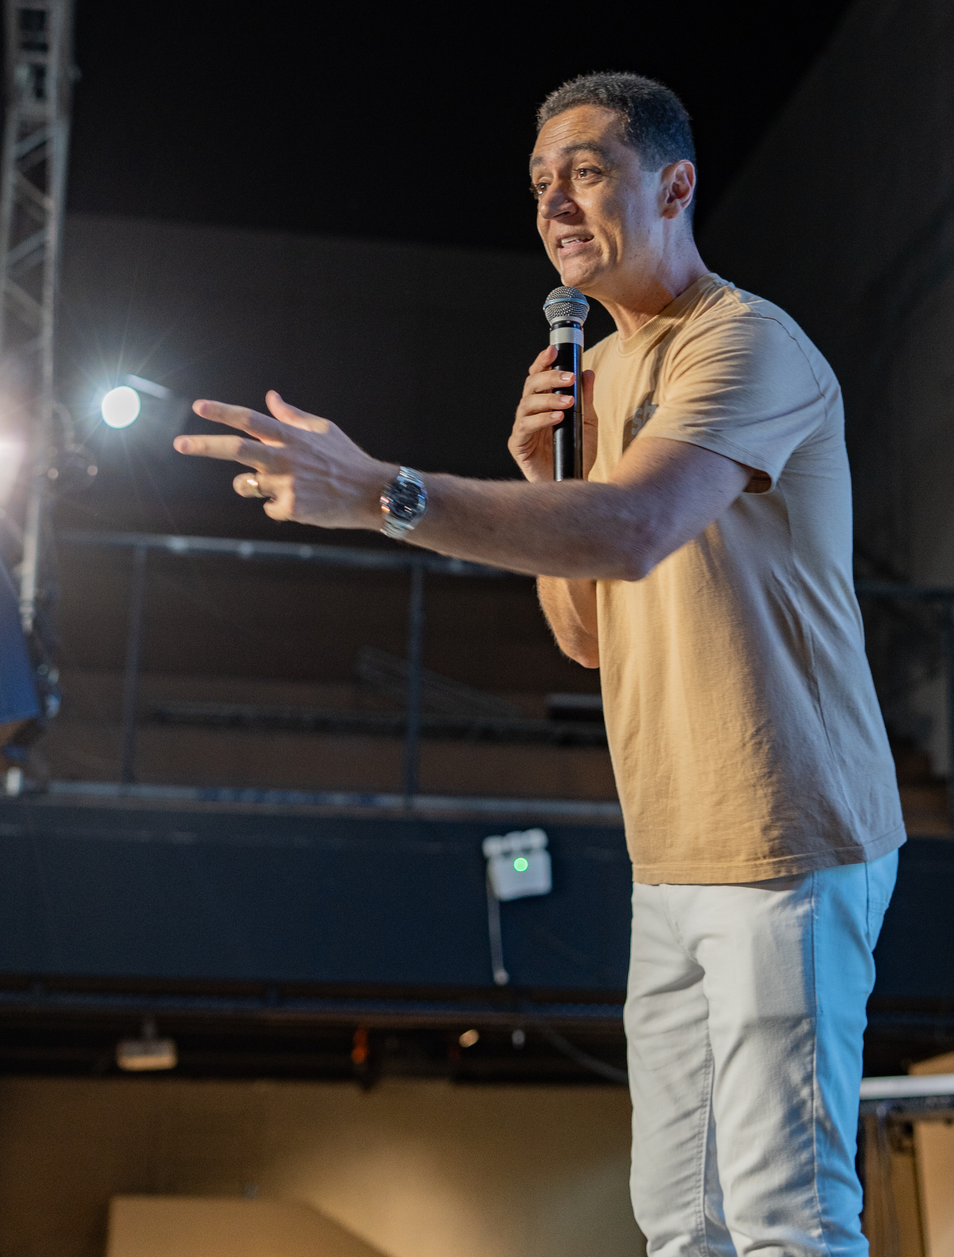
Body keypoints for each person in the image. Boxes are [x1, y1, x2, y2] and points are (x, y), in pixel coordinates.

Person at [176, 70, 905, 1255]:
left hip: (789, 831)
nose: (556, 204)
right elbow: (587, 634)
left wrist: (383, 493)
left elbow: (635, 527)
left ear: (674, 187)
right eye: (540, 182)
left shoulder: (746, 342)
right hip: (671, 848)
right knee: (681, 1221)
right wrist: (540, 474)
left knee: (788, 1217)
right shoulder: (597, 370)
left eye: (588, 172)